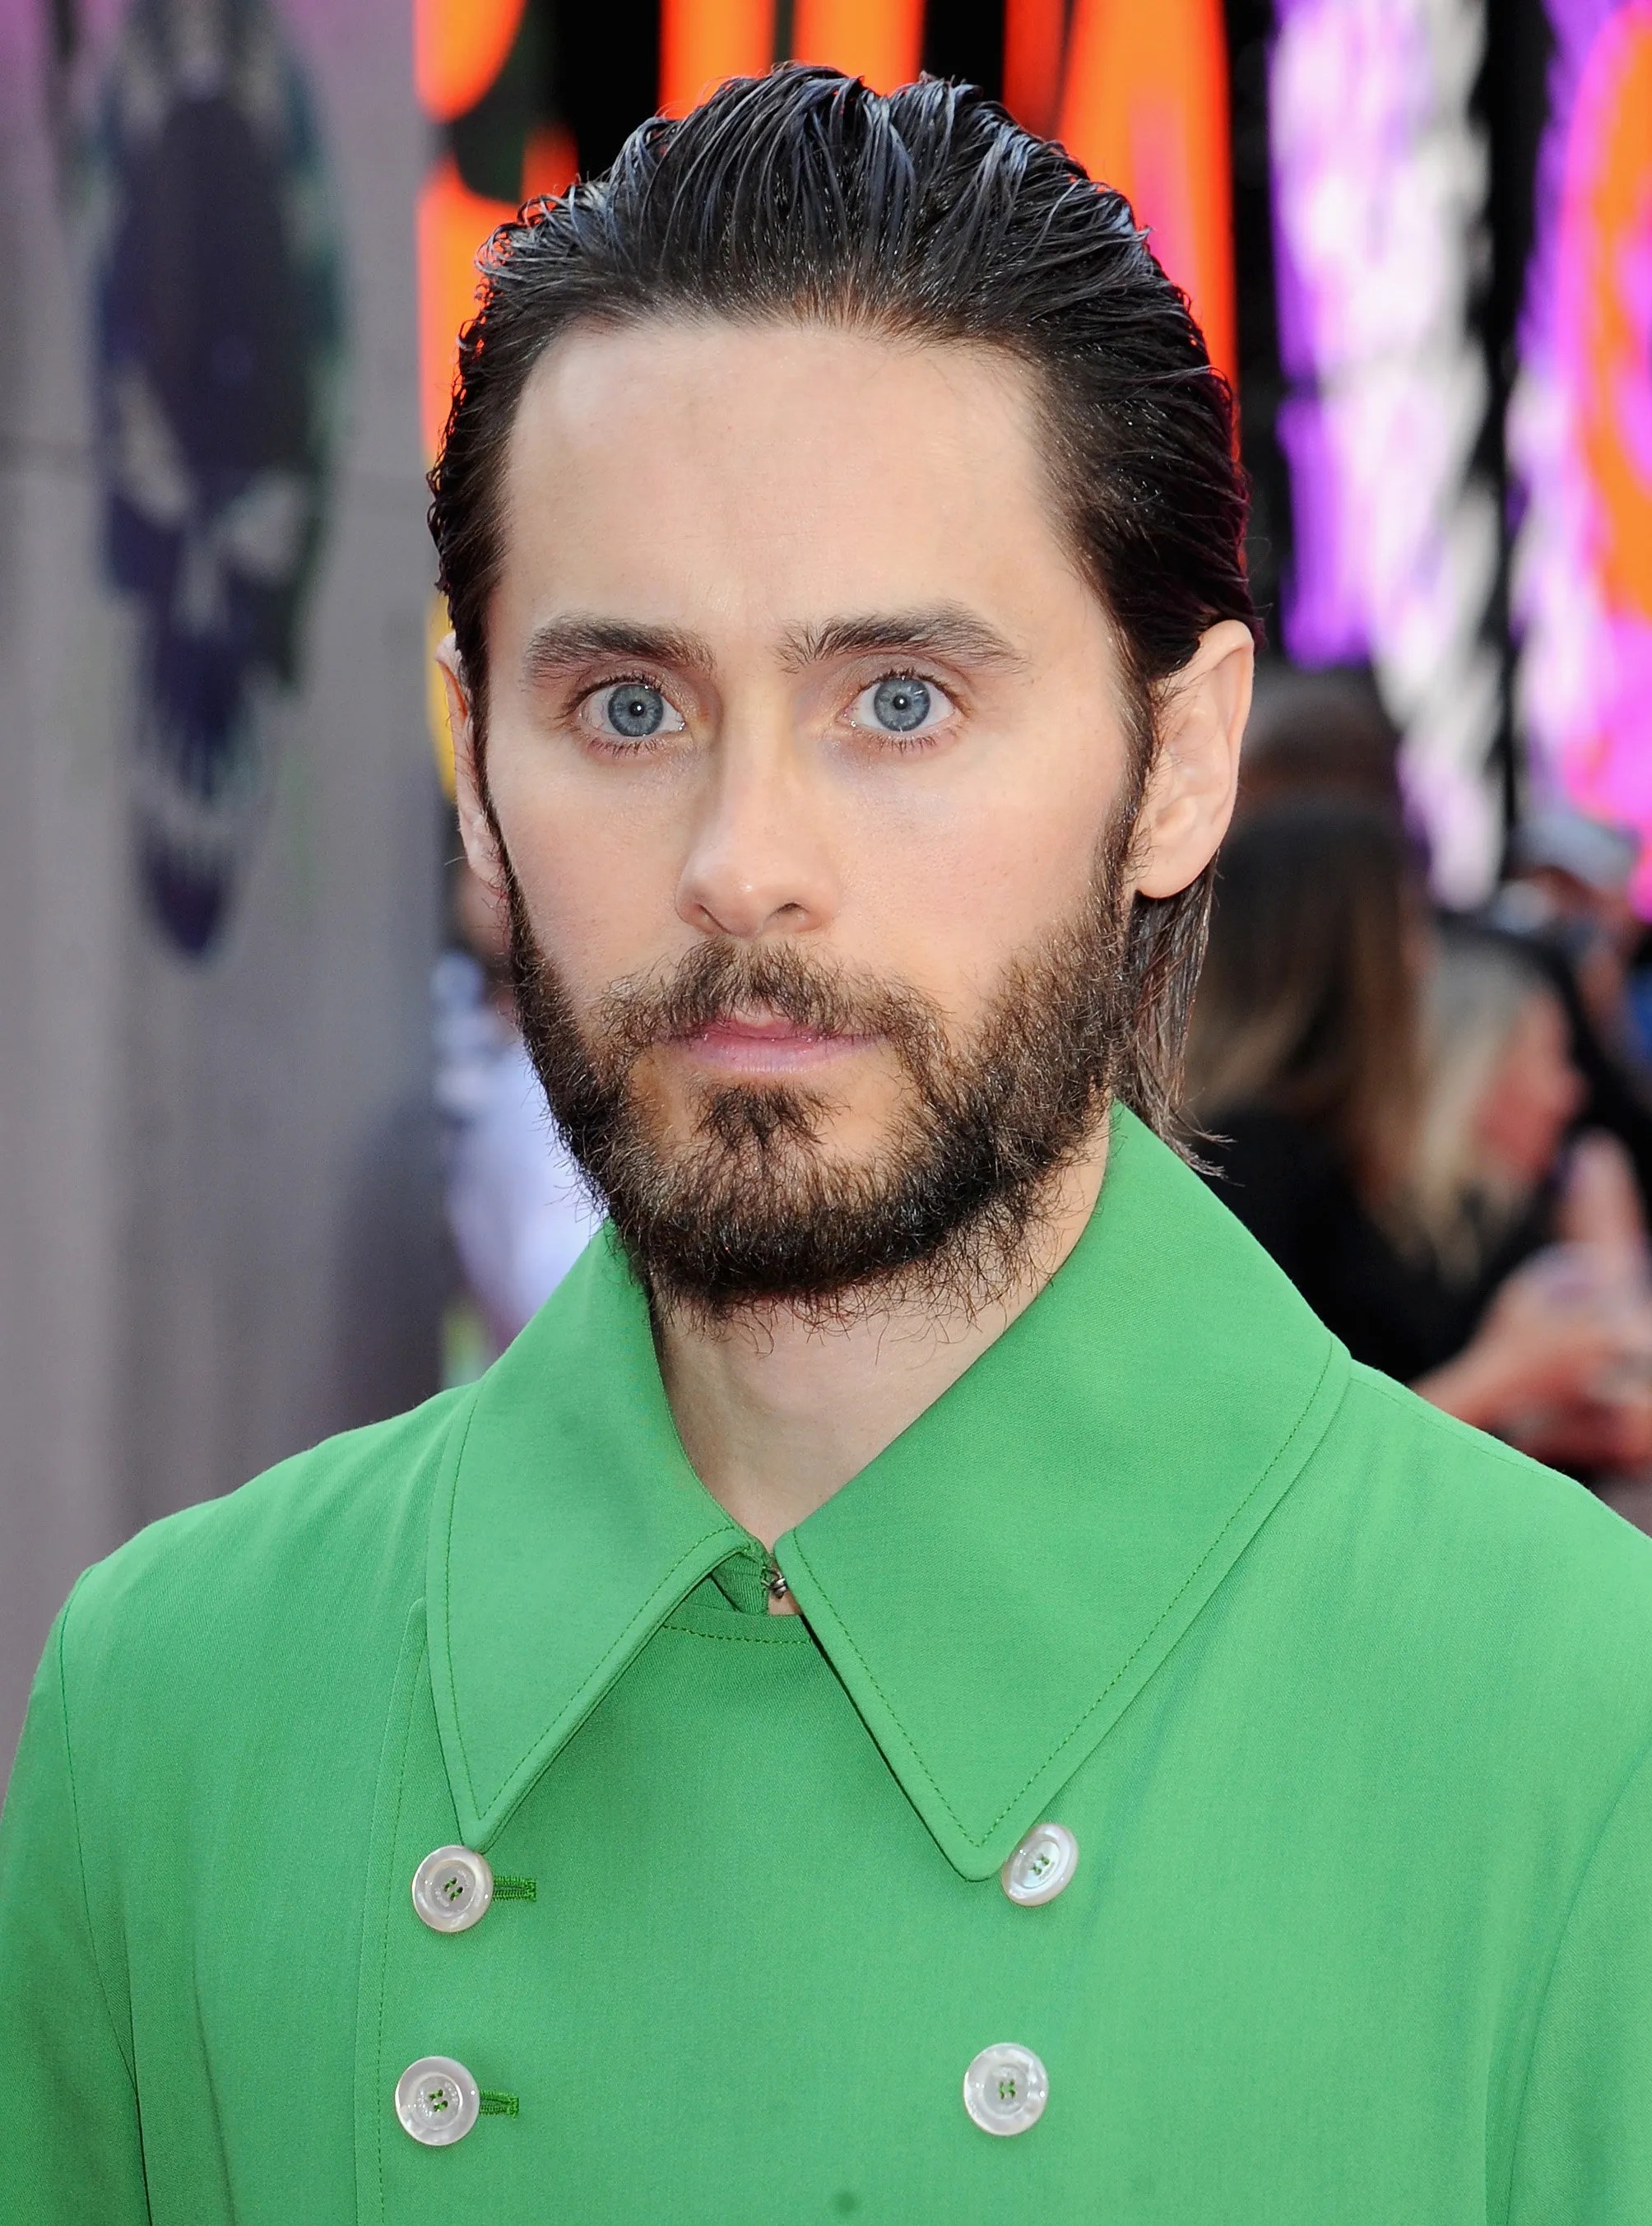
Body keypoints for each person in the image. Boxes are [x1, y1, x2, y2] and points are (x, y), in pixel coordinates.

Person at [6, 67, 1652, 2224]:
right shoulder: (176, 1706)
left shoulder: (1578, 1729)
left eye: (897, 701)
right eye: (626, 706)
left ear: (1177, 765)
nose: (741, 862)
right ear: (478, 763)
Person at [1190, 802, 1652, 1467]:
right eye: (1407, 924)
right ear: (1348, 956)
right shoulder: (1249, 1156)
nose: (1428, 959)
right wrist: (1511, 1370)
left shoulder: (1337, 1147)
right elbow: (1284, 1465)